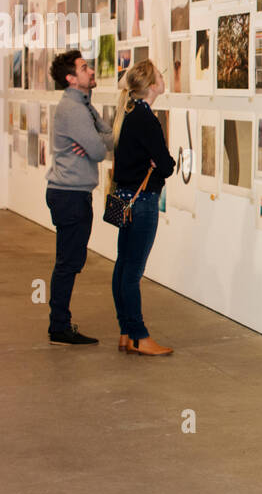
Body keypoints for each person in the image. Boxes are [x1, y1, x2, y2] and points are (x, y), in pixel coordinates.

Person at [46, 49, 114, 345]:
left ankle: (59, 323)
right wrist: (95, 143)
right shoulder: (73, 110)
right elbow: (102, 150)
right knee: (68, 262)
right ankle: (59, 326)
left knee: (71, 260)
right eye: (84, 67)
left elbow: (109, 137)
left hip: (74, 193)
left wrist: (94, 142)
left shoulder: (84, 105)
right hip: (69, 195)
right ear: (71, 78)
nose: (91, 71)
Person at [110, 60, 176, 356]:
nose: (164, 80)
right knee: (133, 272)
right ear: (152, 86)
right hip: (142, 202)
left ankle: (125, 331)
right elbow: (167, 165)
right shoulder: (147, 119)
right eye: (160, 76)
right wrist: (159, 163)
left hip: (124, 199)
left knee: (123, 264)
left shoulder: (128, 113)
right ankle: (138, 335)